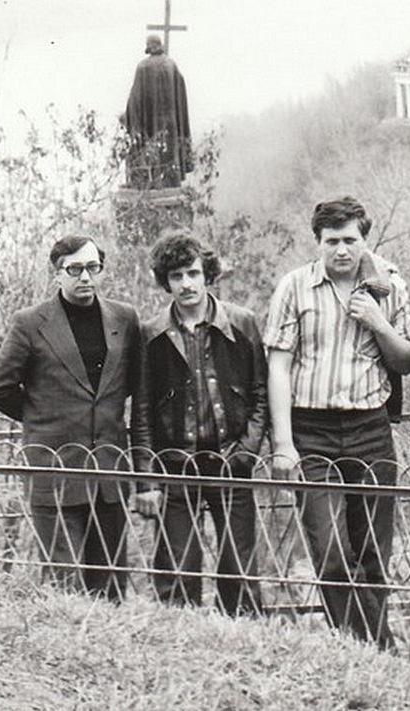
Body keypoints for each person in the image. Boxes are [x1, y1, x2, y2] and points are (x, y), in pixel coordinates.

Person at [264, 196, 410, 649]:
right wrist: (283, 443)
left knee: (373, 552)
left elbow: (406, 361)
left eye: (350, 240)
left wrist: (378, 323)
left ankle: (369, 651)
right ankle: (367, 647)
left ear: (364, 239)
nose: (342, 250)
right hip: (311, 431)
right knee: (330, 551)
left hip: (370, 430)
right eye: (332, 241)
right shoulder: (294, 287)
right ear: (318, 242)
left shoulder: (390, 287)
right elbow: (278, 366)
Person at [0, 234, 144, 600]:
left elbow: (134, 383)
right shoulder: (30, 323)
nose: (85, 277)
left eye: (93, 267)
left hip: (109, 472)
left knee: (110, 590)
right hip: (55, 472)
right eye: (74, 269)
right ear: (57, 274)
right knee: (64, 588)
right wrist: (44, 415)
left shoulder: (125, 318)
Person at [129, 231, 266, 617]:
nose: (186, 284)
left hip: (230, 462)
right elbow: (142, 411)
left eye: (193, 273)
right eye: (176, 276)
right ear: (165, 281)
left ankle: (244, 641)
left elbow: (260, 394)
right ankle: (180, 641)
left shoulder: (242, 323)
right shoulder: (151, 334)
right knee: (176, 573)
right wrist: (147, 480)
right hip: (176, 465)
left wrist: (246, 452)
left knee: (239, 571)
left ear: (207, 274)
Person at [121, 34, 192, 189]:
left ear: (148, 47)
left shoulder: (143, 67)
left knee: (149, 152)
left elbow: (135, 99)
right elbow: (181, 93)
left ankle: (148, 181)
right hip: (170, 123)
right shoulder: (171, 65)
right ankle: (169, 182)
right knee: (168, 155)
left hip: (149, 124)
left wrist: (126, 116)